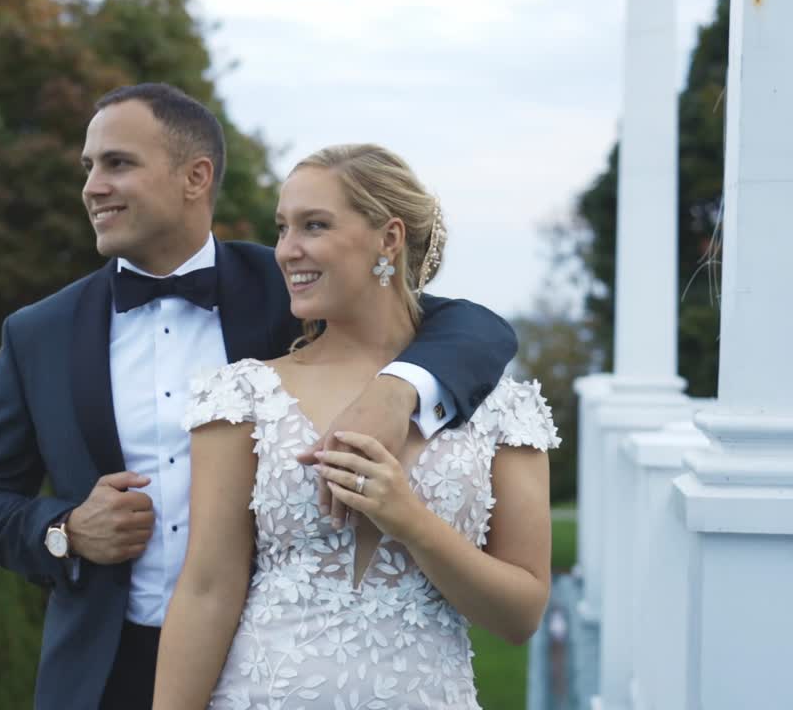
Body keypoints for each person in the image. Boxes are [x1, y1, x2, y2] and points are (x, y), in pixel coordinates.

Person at [0, 85, 518, 710]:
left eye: (118, 163)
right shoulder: (40, 333)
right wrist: (64, 530)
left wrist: (398, 389)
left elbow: (474, 328)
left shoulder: (293, 285)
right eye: (89, 167)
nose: (92, 187)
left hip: (265, 661)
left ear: (196, 177)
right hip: (100, 670)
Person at [156, 144, 558, 709]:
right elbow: (206, 590)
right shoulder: (243, 395)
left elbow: (520, 616)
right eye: (283, 228)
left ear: (388, 239)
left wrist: (410, 521)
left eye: (314, 225)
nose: (286, 250)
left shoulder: (503, 408)